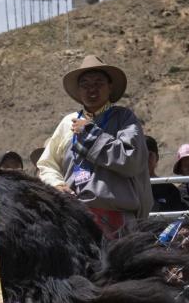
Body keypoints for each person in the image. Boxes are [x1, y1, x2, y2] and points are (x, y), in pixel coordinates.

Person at [37, 55, 152, 237]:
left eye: (98, 83)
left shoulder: (124, 118)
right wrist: (57, 184)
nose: (92, 89)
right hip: (76, 218)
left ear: (110, 87)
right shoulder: (67, 123)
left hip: (118, 219)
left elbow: (131, 161)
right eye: (85, 84)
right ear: (78, 90)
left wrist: (90, 135)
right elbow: (47, 164)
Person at [147, 137, 188, 212]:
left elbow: (177, 219)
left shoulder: (169, 189)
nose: (145, 159)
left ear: (157, 158)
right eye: (141, 155)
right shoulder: (129, 188)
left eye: (149, 155)